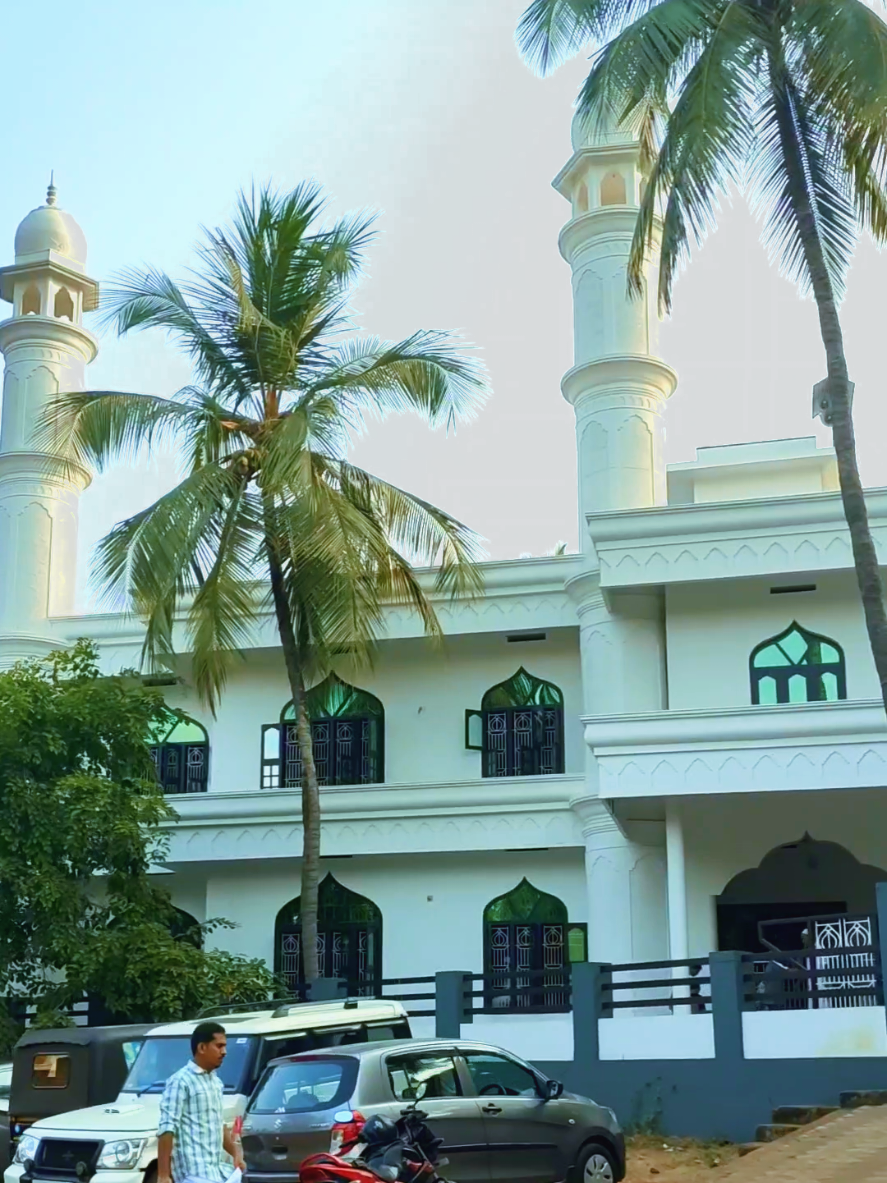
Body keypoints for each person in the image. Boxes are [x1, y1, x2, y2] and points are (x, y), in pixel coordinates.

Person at [157, 1022, 245, 1183]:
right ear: (202, 1048)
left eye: (225, 1046)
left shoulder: (215, 1082)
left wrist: (236, 1154)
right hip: (193, 1175)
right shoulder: (180, 1081)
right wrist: (163, 1175)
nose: (224, 1052)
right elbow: (167, 1128)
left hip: (217, 1172)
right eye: (219, 1046)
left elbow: (219, 1124)